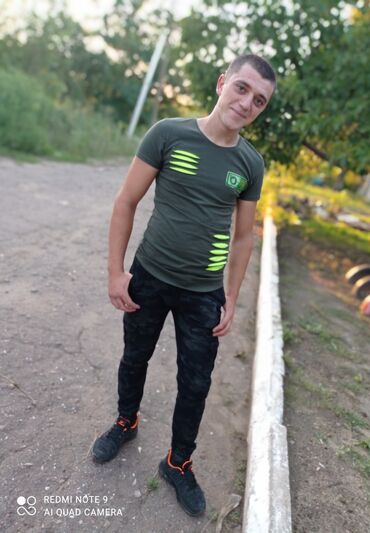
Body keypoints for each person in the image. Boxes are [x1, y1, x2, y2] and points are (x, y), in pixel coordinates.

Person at [92, 54, 276, 517]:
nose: (247, 103)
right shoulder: (168, 134)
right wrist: (116, 272)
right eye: (241, 88)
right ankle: (125, 421)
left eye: (259, 100)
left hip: (203, 293)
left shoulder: (250, 164)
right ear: (222, 83)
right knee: (135, 357)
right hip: (150, 276)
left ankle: (178, 463)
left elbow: (243, 238)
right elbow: (126, 201)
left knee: (195, 383)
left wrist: (231, 297)